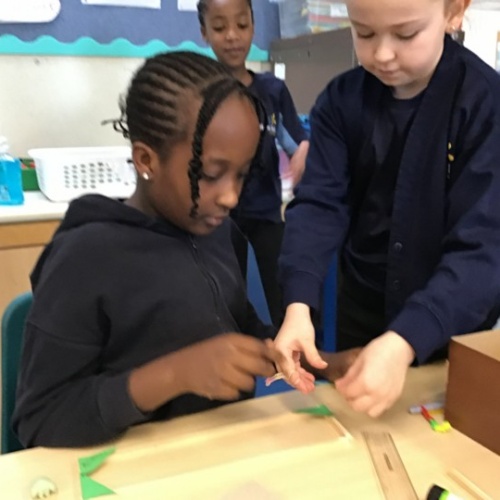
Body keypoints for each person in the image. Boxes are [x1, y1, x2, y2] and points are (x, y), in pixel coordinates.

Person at [12, 51, 279, 448]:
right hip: (128, 468)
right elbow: (40, 420)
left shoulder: (219, 231)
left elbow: (237, 322)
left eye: (242, 174)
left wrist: (309, 358)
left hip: (220, 453)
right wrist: (173, 375)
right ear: (146, 160)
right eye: (210, 174)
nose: (231, 197)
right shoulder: (85, 257)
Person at [274, 0, 500, 417]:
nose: (381, 53)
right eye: (364, 32)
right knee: (362, 421)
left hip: (452, 318)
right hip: (363, 308)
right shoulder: (340, 101)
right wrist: (298, 304)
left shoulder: (486, 105)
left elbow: (486, 249)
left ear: (454, 12)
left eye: (406, 34)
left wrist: (406, 339)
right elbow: (319, 205)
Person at [197, 0, 310, 326]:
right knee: (224, 294)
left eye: (242, 25)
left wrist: (304, 150)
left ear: (253, 28)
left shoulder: (272, 90)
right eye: (220, 27)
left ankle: (286, 345)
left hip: (265, 210)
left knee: (281, 289)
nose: (232, 36)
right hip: (217, 214)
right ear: (205, 33)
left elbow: (294, 140)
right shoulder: (198, 90)